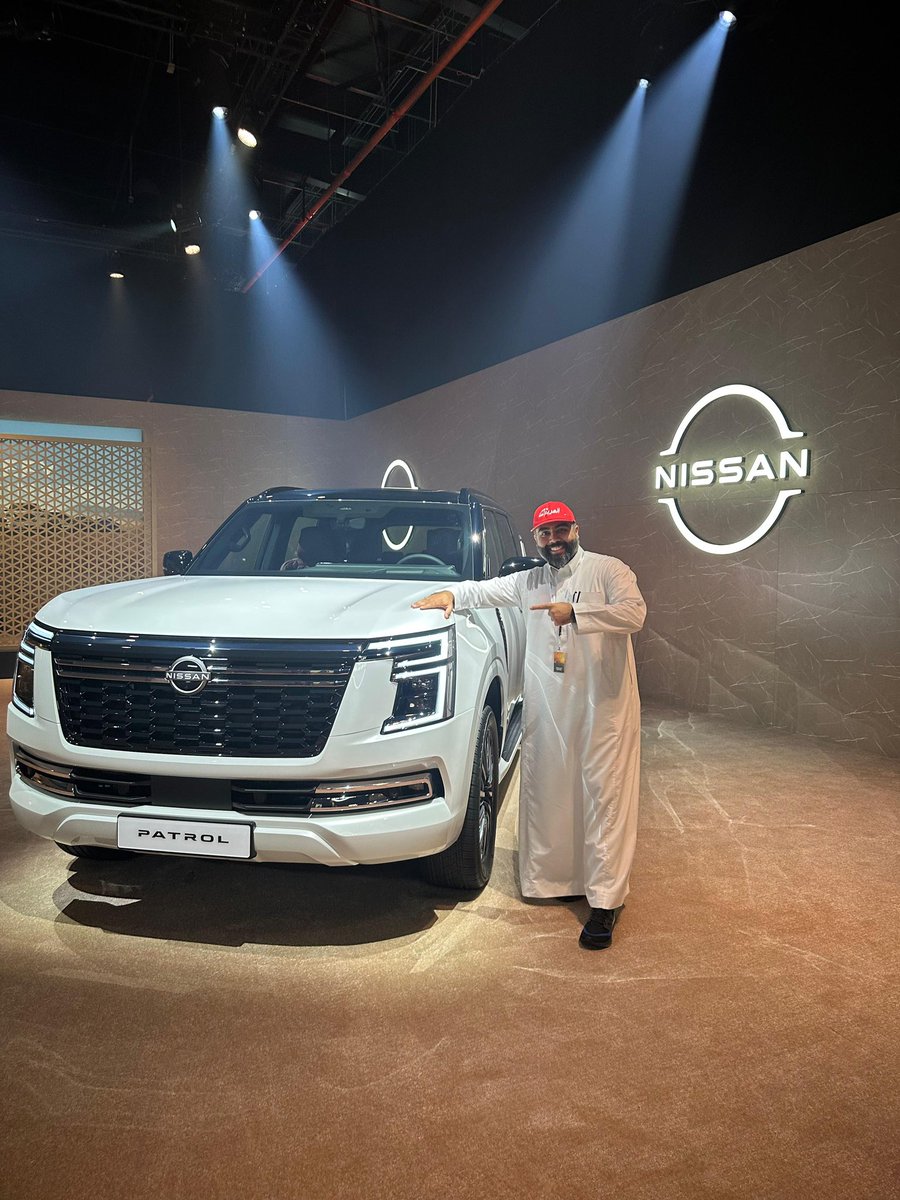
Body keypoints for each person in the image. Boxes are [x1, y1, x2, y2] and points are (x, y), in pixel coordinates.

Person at [412, 501, 646, 950]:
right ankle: (559, 880)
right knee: (552, 791)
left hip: (604, 710)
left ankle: (605, 901)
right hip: (552, 708)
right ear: (535, 538)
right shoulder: (530, 580)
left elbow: (635, 614)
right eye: (545, 533)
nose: (554, 540)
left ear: (576, 529)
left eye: (561, 530)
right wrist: (451, 596)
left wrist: (577, 613)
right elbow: (485, 591)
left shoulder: (608, 570)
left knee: (605, 798)